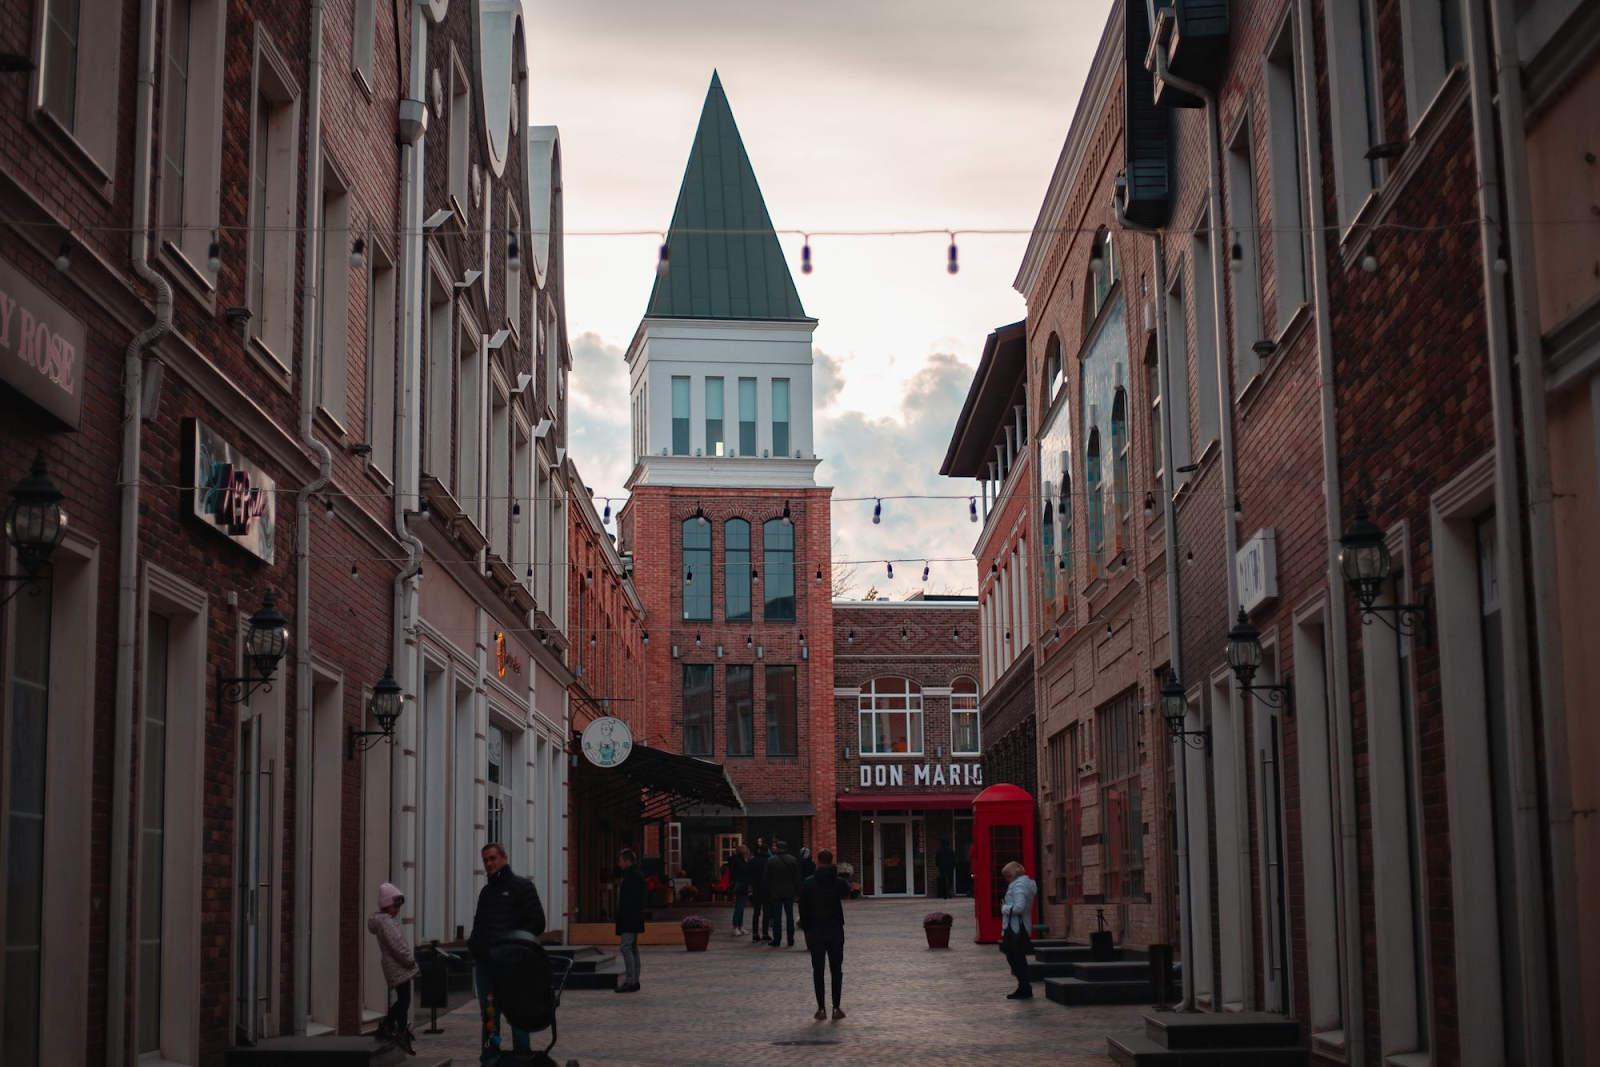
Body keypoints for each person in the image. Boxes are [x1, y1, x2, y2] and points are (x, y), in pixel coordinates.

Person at [468, 842, 547, 1065]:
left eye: (492, 858)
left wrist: (516, 946)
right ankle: (490, 1057)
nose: (489, 864)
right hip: (486, 964)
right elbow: (480, 923)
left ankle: (522, 1056)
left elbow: (537, 922)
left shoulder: (522, 887)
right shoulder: (486, 891)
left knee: (517, 1010)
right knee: (489, 1014)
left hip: (512, 965)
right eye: (485, 860)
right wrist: (475, 945)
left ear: (504, 857)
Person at [797, 848, 849, 1020]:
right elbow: (848, 892)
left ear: (818, 861)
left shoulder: (809, 882)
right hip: (835, 929)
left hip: (816, 930)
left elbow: (802, 906)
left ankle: (821, 1008)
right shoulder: (838, 881)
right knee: (836, 970)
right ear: (831, 860)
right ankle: (836, 1007)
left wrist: (806, 926)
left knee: (818, 971)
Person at [369, 882, 419, 1054]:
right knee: (404, 1000)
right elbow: (397, 946)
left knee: (403, 999)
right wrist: (410, 960)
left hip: (395, 967)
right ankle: (397, 1030)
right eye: (395, 906)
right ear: (386, 905)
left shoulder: (384, 922)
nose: (397, 909)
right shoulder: (387, 924)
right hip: (399, 967)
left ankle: (392, 1028)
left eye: (399, 906)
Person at [999, 861, 1038, 999]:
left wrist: (1004, 908)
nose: (1006, 879)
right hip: (1021, 926)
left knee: (1015, 958)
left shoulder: (1019, 886)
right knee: (1017, 958)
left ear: (1013, 875)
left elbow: (1019, 907)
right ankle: (1024, 987)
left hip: (1015, 928)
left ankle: (1025, 988)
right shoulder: (1026, 884)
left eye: (1007, 876)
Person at [614, 848, 645, 993]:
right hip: (633, 917)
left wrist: (625, 916)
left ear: (627, 861)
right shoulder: (635, 874)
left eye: (620, 861)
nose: (619, 864)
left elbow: (631, 900)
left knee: (625, 947)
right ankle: (635, 980)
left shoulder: (633, 875)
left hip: (630, 918)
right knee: (633, 948)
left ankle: (630, 980)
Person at [763, 840, 802, 948]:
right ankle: (790, 939)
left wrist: (768, 891)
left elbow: (766, 878)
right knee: (790, 916)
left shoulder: (771, 861)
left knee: (777, 917)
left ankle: (777, 939)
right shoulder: (792, 859)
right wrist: (799, 892)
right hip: (789, 892)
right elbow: (797, 877)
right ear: (786, 849)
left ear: (776, 849)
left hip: (776, 892)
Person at [746, 841, 770, 943]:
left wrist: (752, 885)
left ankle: (755, 933)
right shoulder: (769, 861)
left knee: (756, 912)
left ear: (759, 850)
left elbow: (748, 874)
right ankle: (765, 933)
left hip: (756, 889)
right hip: (767, 889)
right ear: (767, 850)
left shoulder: (753, 861)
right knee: (766, 912)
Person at [729, 844, 751, 936]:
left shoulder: (737, 860)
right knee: (739, 906)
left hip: (742, 883)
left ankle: (740, 925)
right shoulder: (738, 861)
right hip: (740, 883)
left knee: (741, 907)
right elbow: (744, 870)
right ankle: (736, 926)